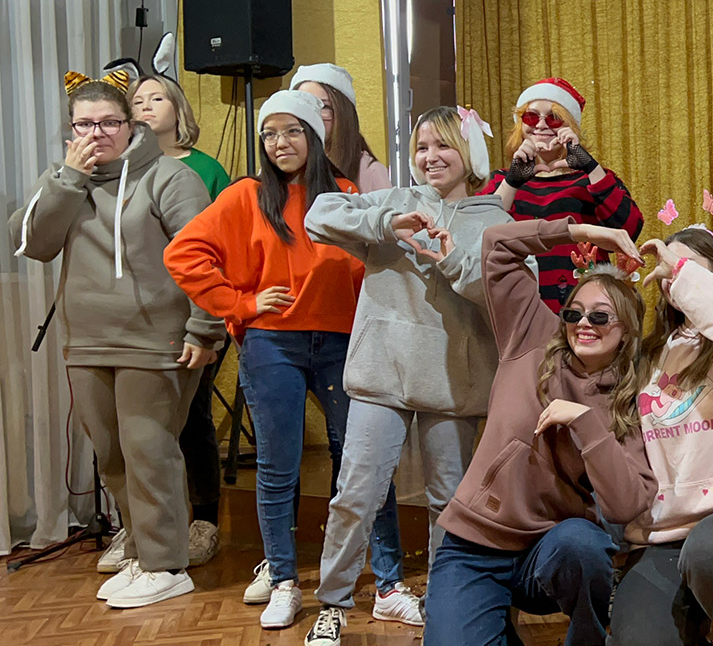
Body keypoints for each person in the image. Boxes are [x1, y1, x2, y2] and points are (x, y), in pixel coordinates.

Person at [164, 90, 408, 630]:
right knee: (278, 466)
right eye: (270, 134)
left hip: (343, 344)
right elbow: (182, 253)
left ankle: (389, 583)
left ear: (314, 137)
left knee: (366, 463)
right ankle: (283, 581)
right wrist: (241, 304)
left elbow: (374, 270)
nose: (280, 143)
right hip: (272, 344)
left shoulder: (346, 195)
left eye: (292, 131)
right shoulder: (246, 195)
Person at [9, 71, 224, 608]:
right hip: (87, 341)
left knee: (149, 449)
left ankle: (166, 564)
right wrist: (67, 180)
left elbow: (207, 256)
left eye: (109, 122)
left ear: (130, 125)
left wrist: (205, 328)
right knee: (111, 455)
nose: (97, 133)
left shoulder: (170, 177)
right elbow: (33, 242)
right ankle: (143, 551)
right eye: (85, 124)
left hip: (157, 341)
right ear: (71, 131)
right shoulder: (63, 179)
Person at [302, 105, 510, 644]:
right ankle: (333, 604)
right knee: (356, 494)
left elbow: (510, 296)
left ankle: (446, 607)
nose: (430, 157)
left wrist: (453, 260)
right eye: (421, 147)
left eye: (443, 145)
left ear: (470, 153)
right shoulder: (394, 202)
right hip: (381, 374)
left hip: (454, 384)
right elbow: (318, 214)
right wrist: (384, 223)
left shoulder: (498, 223)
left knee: (449, 504)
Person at [423, 217, 658, 645]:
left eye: (600, 316)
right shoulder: (532, 336)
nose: (583, 323)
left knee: (584, 546)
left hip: (549, 549)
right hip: (474, 545)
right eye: (574, 313)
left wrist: (585, 422)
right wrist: (581, 232)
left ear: (626, 332)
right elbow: (497, 245)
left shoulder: (627, 400)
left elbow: (627, 504)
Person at [607, 226, 713, 646]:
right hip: (662, 533)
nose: (671, 274)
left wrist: (684, 272)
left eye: (686, 266)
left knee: (710, 549)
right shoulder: (649, 353)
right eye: (666, 265)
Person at [97, 73, 229, 571]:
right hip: (132, 323)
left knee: (190, 420)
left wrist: (208, 322)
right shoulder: (116, 172)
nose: (147, 106)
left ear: (179, 109)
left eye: (158, 98)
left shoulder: (202, 170)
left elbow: (216, 246)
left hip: (190, 318)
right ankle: (141, 531)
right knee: (132, 435)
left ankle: (203, 519)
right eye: (138, 100)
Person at [483, 77, 644, 312]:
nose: (541, 125)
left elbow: (628, 231)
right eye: (531, 117)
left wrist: (590, 167)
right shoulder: (501, 181)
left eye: (554, 118)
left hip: (583, 312)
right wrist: (513, 181)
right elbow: (483, 237)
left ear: (570, 125)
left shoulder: (592, 178)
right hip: (518, 307)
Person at [291, 63, 393, 192]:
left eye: (324, 106)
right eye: (303, 106)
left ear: (343, 113)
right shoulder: (288, 166)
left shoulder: (369, 172)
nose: (312, 114)